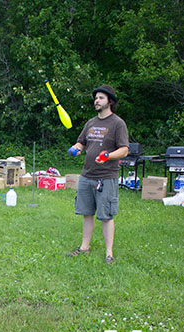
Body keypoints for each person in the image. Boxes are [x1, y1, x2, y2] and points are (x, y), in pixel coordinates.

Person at [67, 85, 129, 264]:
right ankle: (84, 247)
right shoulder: (91, 123)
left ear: (109, 101)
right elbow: (81, 142)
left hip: (106, 176)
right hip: (87, 175)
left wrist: (108, 155)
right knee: (86, 213)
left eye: (101, 98)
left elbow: (124, 150)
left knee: (106, 215)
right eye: (95, 98)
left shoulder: (117, 123)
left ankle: (109, 253)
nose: (96, 100)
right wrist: (75, 149)